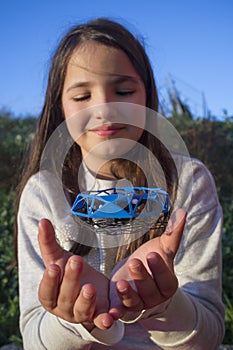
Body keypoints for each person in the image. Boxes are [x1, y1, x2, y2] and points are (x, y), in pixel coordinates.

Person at [16, 18, 225, 349]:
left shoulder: (188, 182)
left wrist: (163, 302)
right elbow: (34, 337)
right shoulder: (43, 193)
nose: (104, 108)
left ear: (147, 96)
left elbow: (210, 333)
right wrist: (79, 316)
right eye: (82, 95)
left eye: (124, 91)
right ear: (60, 107)